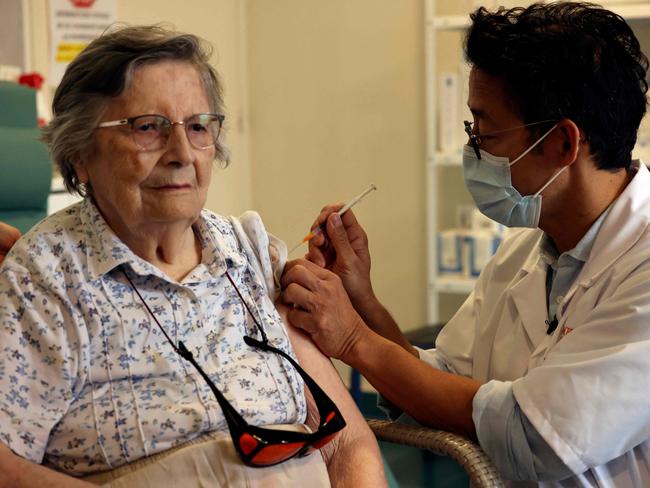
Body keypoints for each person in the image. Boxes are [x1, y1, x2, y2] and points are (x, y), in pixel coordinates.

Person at [0, 25, 386, 487]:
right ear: (81, 152)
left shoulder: (245, 253)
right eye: (147, 127)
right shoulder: (46, 277)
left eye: (199, 126)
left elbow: (347, 443)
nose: (182, 153)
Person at [281, 2, 650, 486]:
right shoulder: (526, 254)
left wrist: (353, 339)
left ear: (563, 143)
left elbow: (537, 435)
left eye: (486, 130)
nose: (473, 148)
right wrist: (361, 300)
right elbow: (440, 382)